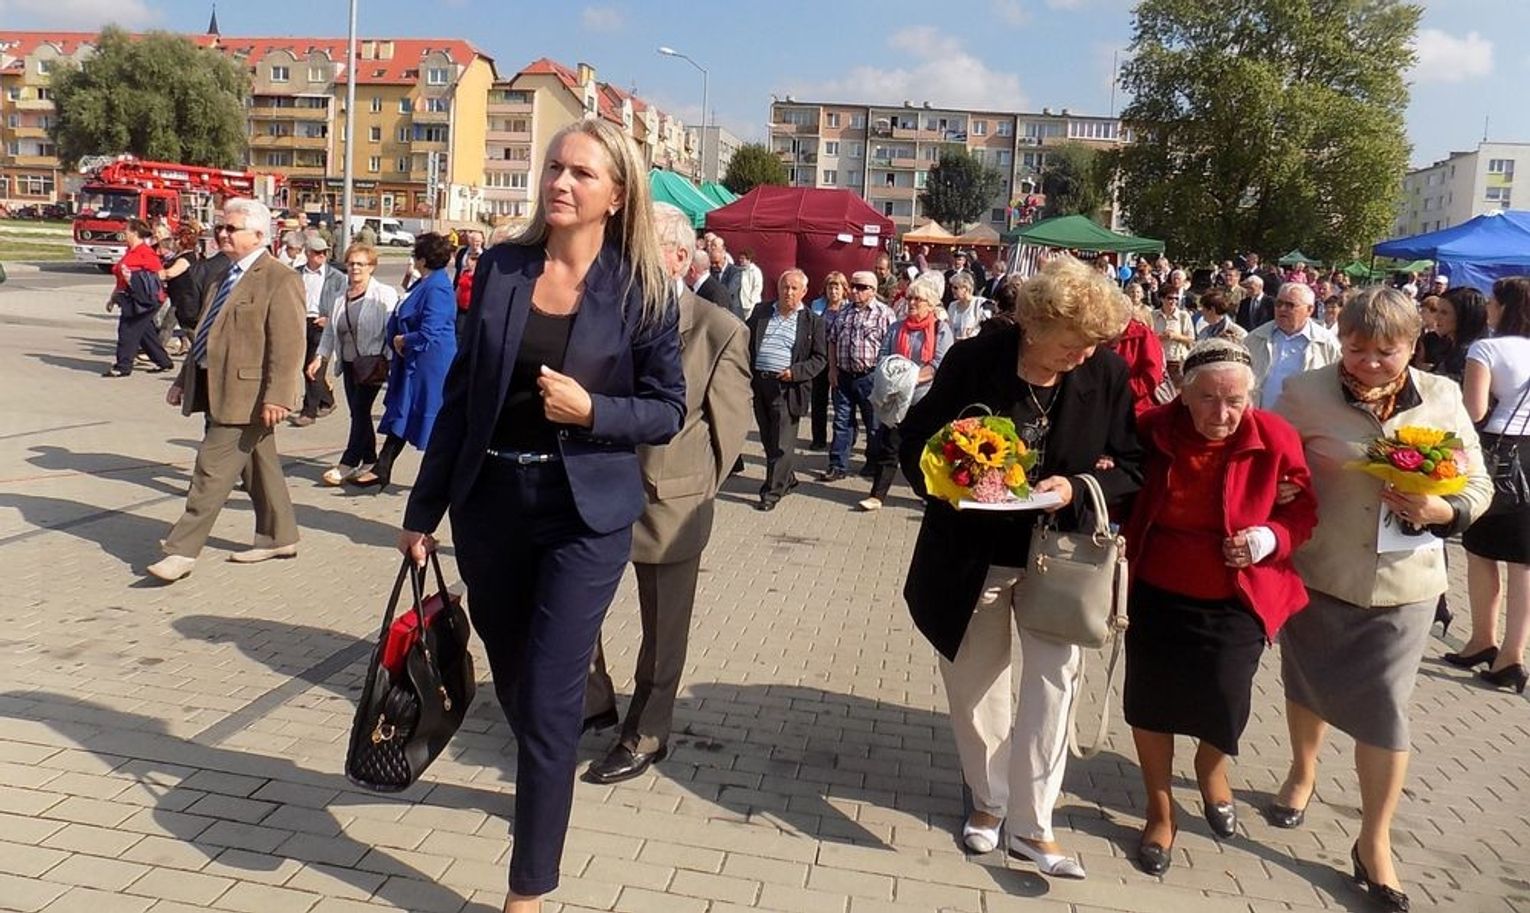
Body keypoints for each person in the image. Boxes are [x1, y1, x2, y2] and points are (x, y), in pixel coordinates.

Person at [396, 119, 684, 913]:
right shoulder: (502, 266)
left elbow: (666, 408)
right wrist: (423, 509)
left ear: (616, 194)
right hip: (489, 507)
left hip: (581, 517)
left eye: (581, 173)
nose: (560, 182)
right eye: (554, 166)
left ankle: (527, 888)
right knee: (520, 684)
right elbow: (461, 397)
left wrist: (594, 410)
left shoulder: (641, 288)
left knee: (554, 693)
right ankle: (543, 778)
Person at [898, 254, 1143, 880]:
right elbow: (915, 441)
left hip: (1060, 558)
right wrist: (953, 480)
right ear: (1034, 325)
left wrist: (1078, 486)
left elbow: (1133, 466)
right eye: (1070, 344)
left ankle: (1035, 826)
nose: (1080, 357)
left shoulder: (1106, 372)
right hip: (972, 552)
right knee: (976, 684)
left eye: (1090, 345)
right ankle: (989, 801)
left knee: (1054, 686)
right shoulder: (974, 360)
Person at [1270, 286, 1493, 912]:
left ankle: (1375, 841)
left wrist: (1442, 510)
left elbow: (1478, 484)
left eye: (1385, 351)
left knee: (1386, 709)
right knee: (1307, 682)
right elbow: (1273, 462)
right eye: (1355, 348)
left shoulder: (1443, 396)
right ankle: (1302, 772)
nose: (1368, 362)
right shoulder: (1305, 393)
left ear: (1413, 345)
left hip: (1406, 583)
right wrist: (1282, 491)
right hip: (1323, 571)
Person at [1123, 338, 1318, 876]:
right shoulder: (1154, 428)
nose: (1222, 413)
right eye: (1208, 398)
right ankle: (1160, 811)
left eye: (1235, 401)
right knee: (1149, 703)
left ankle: (1211, 769)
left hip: (1238, 595)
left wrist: (1269, 538)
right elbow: (1121, 483)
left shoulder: (1273, 436)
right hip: (1157, 589)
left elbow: (1303, 510)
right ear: (1183, 394)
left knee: (1225, 701)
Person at [583, 202, 752, 783]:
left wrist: (690, 489)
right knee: (576, 610)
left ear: (680, 258)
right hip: (595, 492)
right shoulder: (604, 311)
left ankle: (648, 732)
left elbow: (728, 432)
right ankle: (592, 702)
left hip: (669, 506)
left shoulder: (716, 329)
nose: (625, 255)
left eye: (641, 245)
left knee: (662, 634)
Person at [146, 198, 307, 582]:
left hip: (248, 397)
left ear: (259, 235)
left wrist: (279, 395)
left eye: (231, 228)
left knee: (211, 470)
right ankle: (279, 536)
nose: (222, 233)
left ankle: (181, 551)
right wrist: (183, 379)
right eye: (220, 227)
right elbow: (206, 334)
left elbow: (288, 345)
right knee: (259, 467)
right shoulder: (222, 276)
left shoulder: (279, 278)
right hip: (215, 386)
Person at [1450, 276, 1530, 693]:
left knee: (1481, 551)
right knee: (1524, 563)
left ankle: (1483, 637)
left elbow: (1474, 411)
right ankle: (1513, 654)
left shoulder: (1486, 348)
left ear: (1503, 307)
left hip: (1498, 455)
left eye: (1491, 302)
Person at [349, 233, 459, 491]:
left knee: (428, 418)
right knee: (404, 411)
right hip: (412, 361)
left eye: (414, 254)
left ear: (423, 259)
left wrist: (403, 340)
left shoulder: (438, 287)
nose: (412, 259)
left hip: (428, 364)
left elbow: (431, 330)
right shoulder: (423, 282)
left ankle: (443, 477)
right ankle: (382, 468)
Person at [859, 271, 951, 511]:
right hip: (895, 398)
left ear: (931, 304)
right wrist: (893, 377)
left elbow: (938, 364)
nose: (911, 303)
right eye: (909, 298)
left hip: (925, 400)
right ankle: (877, 496)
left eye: (917, 299)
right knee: (889, 448)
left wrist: (908, 379)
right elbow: (883, 356)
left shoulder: (940, 329)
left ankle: (928, 494)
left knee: (922, 451)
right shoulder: (896, 328)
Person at [309, 243, 399, 486]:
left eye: (361, 264)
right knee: (358, 412)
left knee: (360, 410)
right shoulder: (341, 296)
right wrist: (320, 357)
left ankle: (348, 462)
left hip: (373, 363)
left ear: (372, 267)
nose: (355, 268)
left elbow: (391, 329)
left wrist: (390, 360)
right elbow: (330, 331)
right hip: (349, 363)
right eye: (351, 263)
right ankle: (369, 459)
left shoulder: (384, 293)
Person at [746, 269, 827, 510]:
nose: (788, 292)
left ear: (804, 292)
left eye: (794, 288)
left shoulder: (813, 322)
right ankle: (787, 479)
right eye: (785, 287)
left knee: (782, 442)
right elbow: (745, 340)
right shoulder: (761, 312)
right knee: (768, 439)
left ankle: (771, 493)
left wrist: (796, 372)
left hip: (787, 388)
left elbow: (820, 358)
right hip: (760, 384)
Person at [821, 270, 895, 483]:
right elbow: (832, 341)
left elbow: (891, 348)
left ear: (872, 290)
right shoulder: (844, 312)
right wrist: (832, 369)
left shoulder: (884, 314)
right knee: (841, 421)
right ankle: (837, 465)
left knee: (873, 424)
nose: (854, 291)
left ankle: (873, 463)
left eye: (861, 287)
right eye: (853, 286)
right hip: (843, 376)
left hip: (870, 377)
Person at [1245, 281, 1340, 409]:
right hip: (1261, 416)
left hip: (1306, 418)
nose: (1282, 309)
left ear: (1309, 310)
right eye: (1279, 303)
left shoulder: (1326, 343)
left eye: (1290, 305)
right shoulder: (1256, 338)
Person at [103, 219, 175, 378]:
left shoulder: (145, 252)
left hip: (143, 299)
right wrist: (113, 297)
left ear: (134, 233)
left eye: (126, 230)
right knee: (145, 332)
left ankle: (123, 366)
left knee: (127, 330)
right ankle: (164, 362)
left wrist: (135, 278)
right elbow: (121, 278)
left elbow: (159, 274)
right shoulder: (130, 251)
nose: (124, 233)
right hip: (129, 297)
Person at [289, 236, 343, 427]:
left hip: (322, 325)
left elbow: (343, 301)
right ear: (307, 253)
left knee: (313, 370)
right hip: (300, 323)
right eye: (317, 252)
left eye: (324, 252)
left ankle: (308, 412)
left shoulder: (336, 277)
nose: (322, 256)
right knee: (305, 367)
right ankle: (327, 399)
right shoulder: (295, 274)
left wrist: (329, 318)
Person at [808, 271, 851, 450]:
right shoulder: (817, 306)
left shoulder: (849, 308)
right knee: (818, 400)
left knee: (841, 402)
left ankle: (841, 441)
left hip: (841, 359)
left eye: (836, 287)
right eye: (830, 287)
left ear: (844, 289)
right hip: (820, 356)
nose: (833, 291)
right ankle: (818, 439)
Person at [1109, 305, 1166, 417]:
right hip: (1107, 407)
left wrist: (1122, 390)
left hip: (1137, 409)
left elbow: (1151, 375)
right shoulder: (1103, 335)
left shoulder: (1144, 335)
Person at [160, 224, 204, 357]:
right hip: (180, 297)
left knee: (168, 326)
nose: (174, 242)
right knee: (187, 328)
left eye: (176, 239)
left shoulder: (186, 258)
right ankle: (196, 349)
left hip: (183, 299)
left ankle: (156, 352)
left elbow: (171, 273)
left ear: (182, 241)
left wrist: (154, 274)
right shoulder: (182, 255)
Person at [1153, 278, 1197, 385]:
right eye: (1170, 298)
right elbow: (1148, 338)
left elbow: (1191, 340)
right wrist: (1161, 337)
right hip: (1158, 360)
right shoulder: (1153, 315)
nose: (1173, 301)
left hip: (1177, 362)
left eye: (1176, 298)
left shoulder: (1183, 316)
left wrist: (1175, 336)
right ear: (1162, 299)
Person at [946, 272, 991, 341]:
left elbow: (986, 327)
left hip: (974, 344)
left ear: (966, 288)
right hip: (955, 345)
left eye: (955, 288)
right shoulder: (952, 306)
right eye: (951, 287)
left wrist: (970, 336)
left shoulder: (980, 303)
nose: (952, 290)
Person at [455, 249, 481, 340]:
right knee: (458, 330)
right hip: (461, 306)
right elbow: (459, 287)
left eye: (472, 260)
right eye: (469, 259)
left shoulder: (478, 275)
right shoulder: (465, 272)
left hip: (471, 307)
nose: (469, 262)